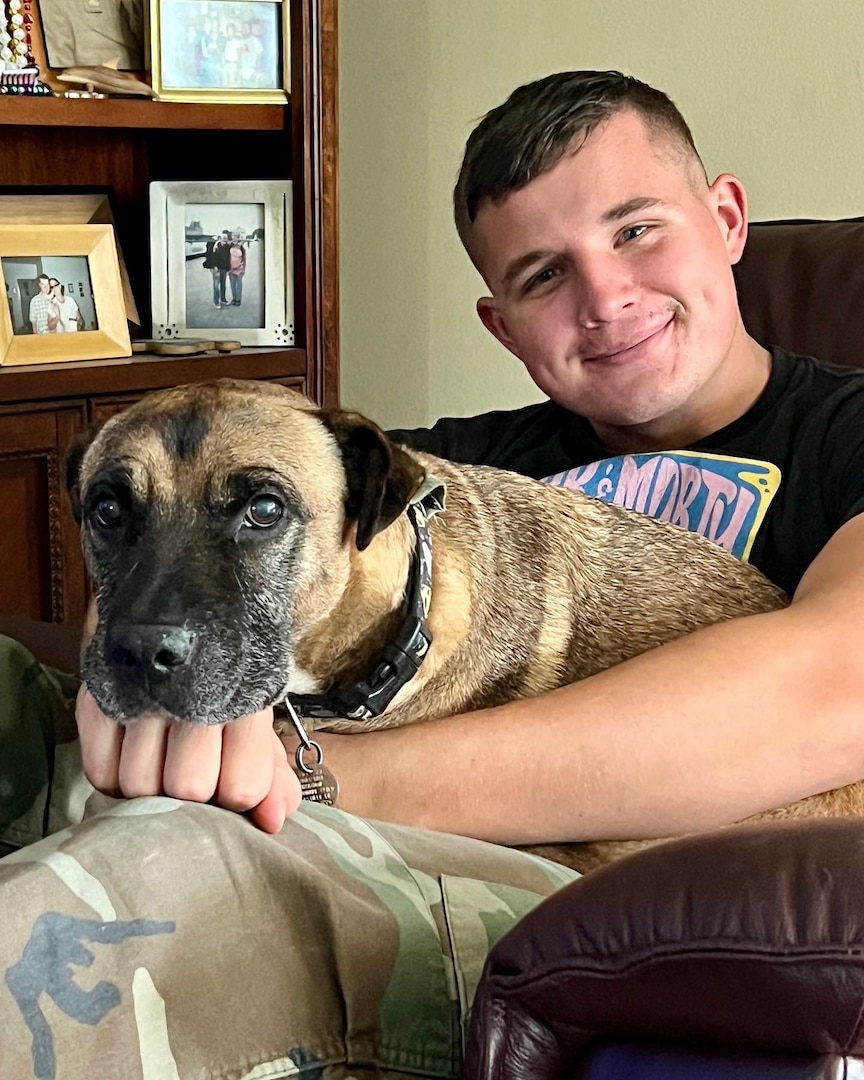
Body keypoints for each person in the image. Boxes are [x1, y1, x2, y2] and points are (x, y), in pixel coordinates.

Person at [3, 69, 864, 1077]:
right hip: (357, 815)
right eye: (544, 274)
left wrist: (311, 780)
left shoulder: (844, 429)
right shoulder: (437, 466)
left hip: (629, 891)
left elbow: (835, 691)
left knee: (155, 868)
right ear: (501, 322)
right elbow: (200, 494)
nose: (605, 295)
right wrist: (136, 650)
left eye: (636, 230)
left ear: (725, 218)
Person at [227, 232, 246, 305]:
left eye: (236, 237)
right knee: (232, 285)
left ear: (238, 238)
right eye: (233, 237)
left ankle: (238, 300)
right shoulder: (229, 247)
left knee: (239, 286)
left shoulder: (242, 248)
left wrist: (244, 269)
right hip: (231, 269)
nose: (234, 238)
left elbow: (244, 259)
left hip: (239, 269)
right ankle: (234, 299)